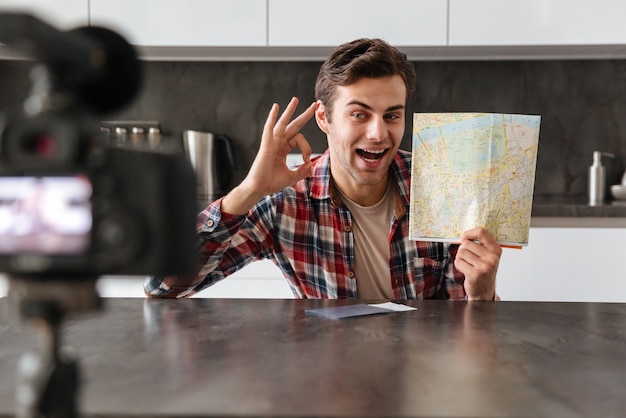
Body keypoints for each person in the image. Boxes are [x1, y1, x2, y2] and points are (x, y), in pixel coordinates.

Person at [145, 38, 501, 300]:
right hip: (326, 382)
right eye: (359, 114)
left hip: (421, 383)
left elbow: (461, 330)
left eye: (392, 115)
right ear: (324, 119)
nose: (379, 133)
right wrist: (248, 191)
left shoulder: (442, 184)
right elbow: (162, 287)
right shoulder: (285, 201)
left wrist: (482, 295)